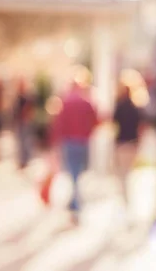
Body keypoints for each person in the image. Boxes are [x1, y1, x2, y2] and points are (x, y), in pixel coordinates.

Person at [52, 77, 99, 225]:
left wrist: (56, 142)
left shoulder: (65, 103)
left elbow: (59, 124)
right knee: (77, 173)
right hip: (82, 142)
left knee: (73, 173)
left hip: (70, 142)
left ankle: (75, 203)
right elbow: (95, 120)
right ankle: (75, 201)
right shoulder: (86, 102)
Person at [112, 83, 147, 222]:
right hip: (132, 144)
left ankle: (125, 201)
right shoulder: (135, 107)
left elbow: (113, 123)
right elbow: (142, 127)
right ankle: (127, 201)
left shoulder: (120, 106)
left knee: (123, 175)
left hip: (122, 143)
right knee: (128, 173)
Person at [14, 79, 34, 169]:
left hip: (24, 122)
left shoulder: (26, 97)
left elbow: (29, 109)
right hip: (20, 122)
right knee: (21, 141)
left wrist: (26, 117)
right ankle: (23, 159)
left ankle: (25, 160)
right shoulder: (19, 96)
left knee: (25, 141)